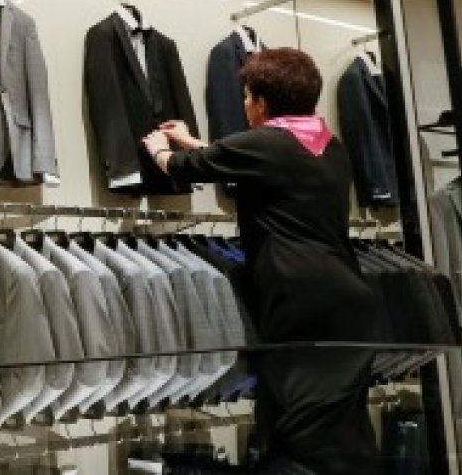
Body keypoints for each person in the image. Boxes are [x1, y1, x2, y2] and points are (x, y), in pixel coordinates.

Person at [142, 47, 379, 475]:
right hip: (347, 291)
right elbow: (249, 161)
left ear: (262, 102)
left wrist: (160, 148)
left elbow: (187, 167)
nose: (246, 105)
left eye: (247, 97)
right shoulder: (328, 146)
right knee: (341, 425)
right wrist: (192, 139)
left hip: (296, 294)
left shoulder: (264, 144)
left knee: (293, 425)